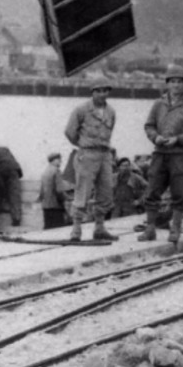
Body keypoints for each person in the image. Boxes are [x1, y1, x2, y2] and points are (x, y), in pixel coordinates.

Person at [142, 65, 183, 245]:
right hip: (160, 153)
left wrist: (178, 139)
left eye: (179, 82)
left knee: (179, 193)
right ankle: (150, 229)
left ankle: (175, 229)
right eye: (172, 82)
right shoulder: (158, 104)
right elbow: (149, 125)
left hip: (180, 155)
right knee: (152, 190)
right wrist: (156, 138)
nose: (176, 85)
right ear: (167, 84)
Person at [64, 78, 117, 244]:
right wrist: (82, 146)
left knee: (106, 191)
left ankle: (99, 228)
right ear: (92, 92)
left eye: (105, 91)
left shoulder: (111, 112)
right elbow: (70, 131)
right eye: (98, 91)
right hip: (87, 154)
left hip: (105, 154)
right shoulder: (81, 110)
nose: (102, 94)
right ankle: (76, 228)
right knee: (83, 191)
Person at [38, 153, 71, 230]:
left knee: (48, 229)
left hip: (46, 206)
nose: (60, 161)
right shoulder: (56, 171)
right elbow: (59, 190)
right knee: (58, 230)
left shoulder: (45, 171)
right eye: (58, 160)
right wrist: (67, 198)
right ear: (53, 160)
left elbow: (41, 191)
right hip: (55, 206)